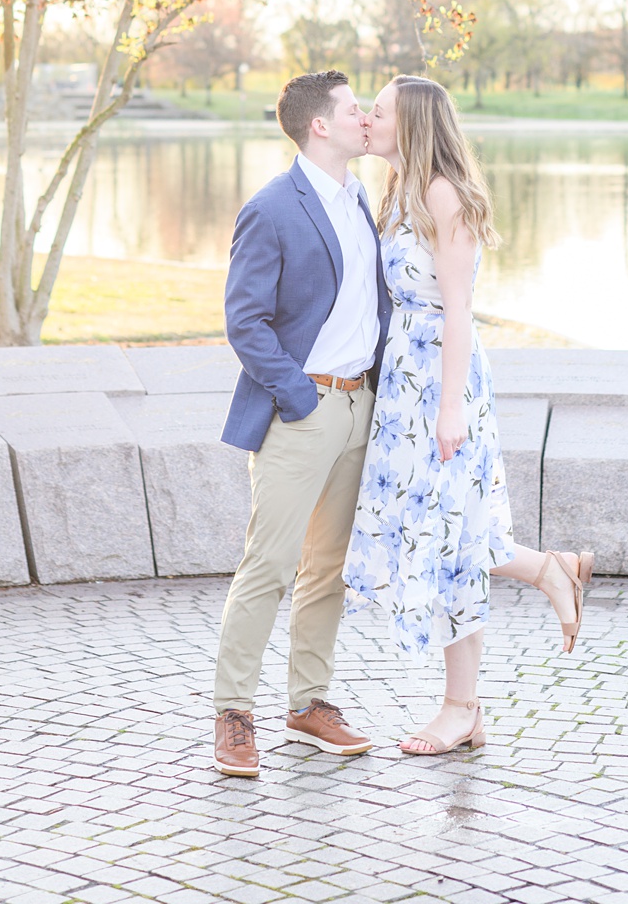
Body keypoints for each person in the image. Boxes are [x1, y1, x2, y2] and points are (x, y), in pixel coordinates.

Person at [343, 73, 592, 757]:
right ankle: (549, 571)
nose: (370, 117)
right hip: (404, 385)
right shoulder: (397, 195)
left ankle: (461, 707)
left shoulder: (443, 195)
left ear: (414, 125)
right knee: (448, 531)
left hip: (440, 385)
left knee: (452, 537)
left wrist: (450, 408)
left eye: (382, 111)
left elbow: (457, 311)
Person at [210, 69, 393, 778]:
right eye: (354, 110)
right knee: (269, 566)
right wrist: (299, 396)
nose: (365, 120)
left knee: (329, 572)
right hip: (303, 410)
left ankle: (308, 704)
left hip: (359, 408)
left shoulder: (360, 198)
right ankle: (234, 713)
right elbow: (244, 322)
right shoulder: (271, 208)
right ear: (321, 125)